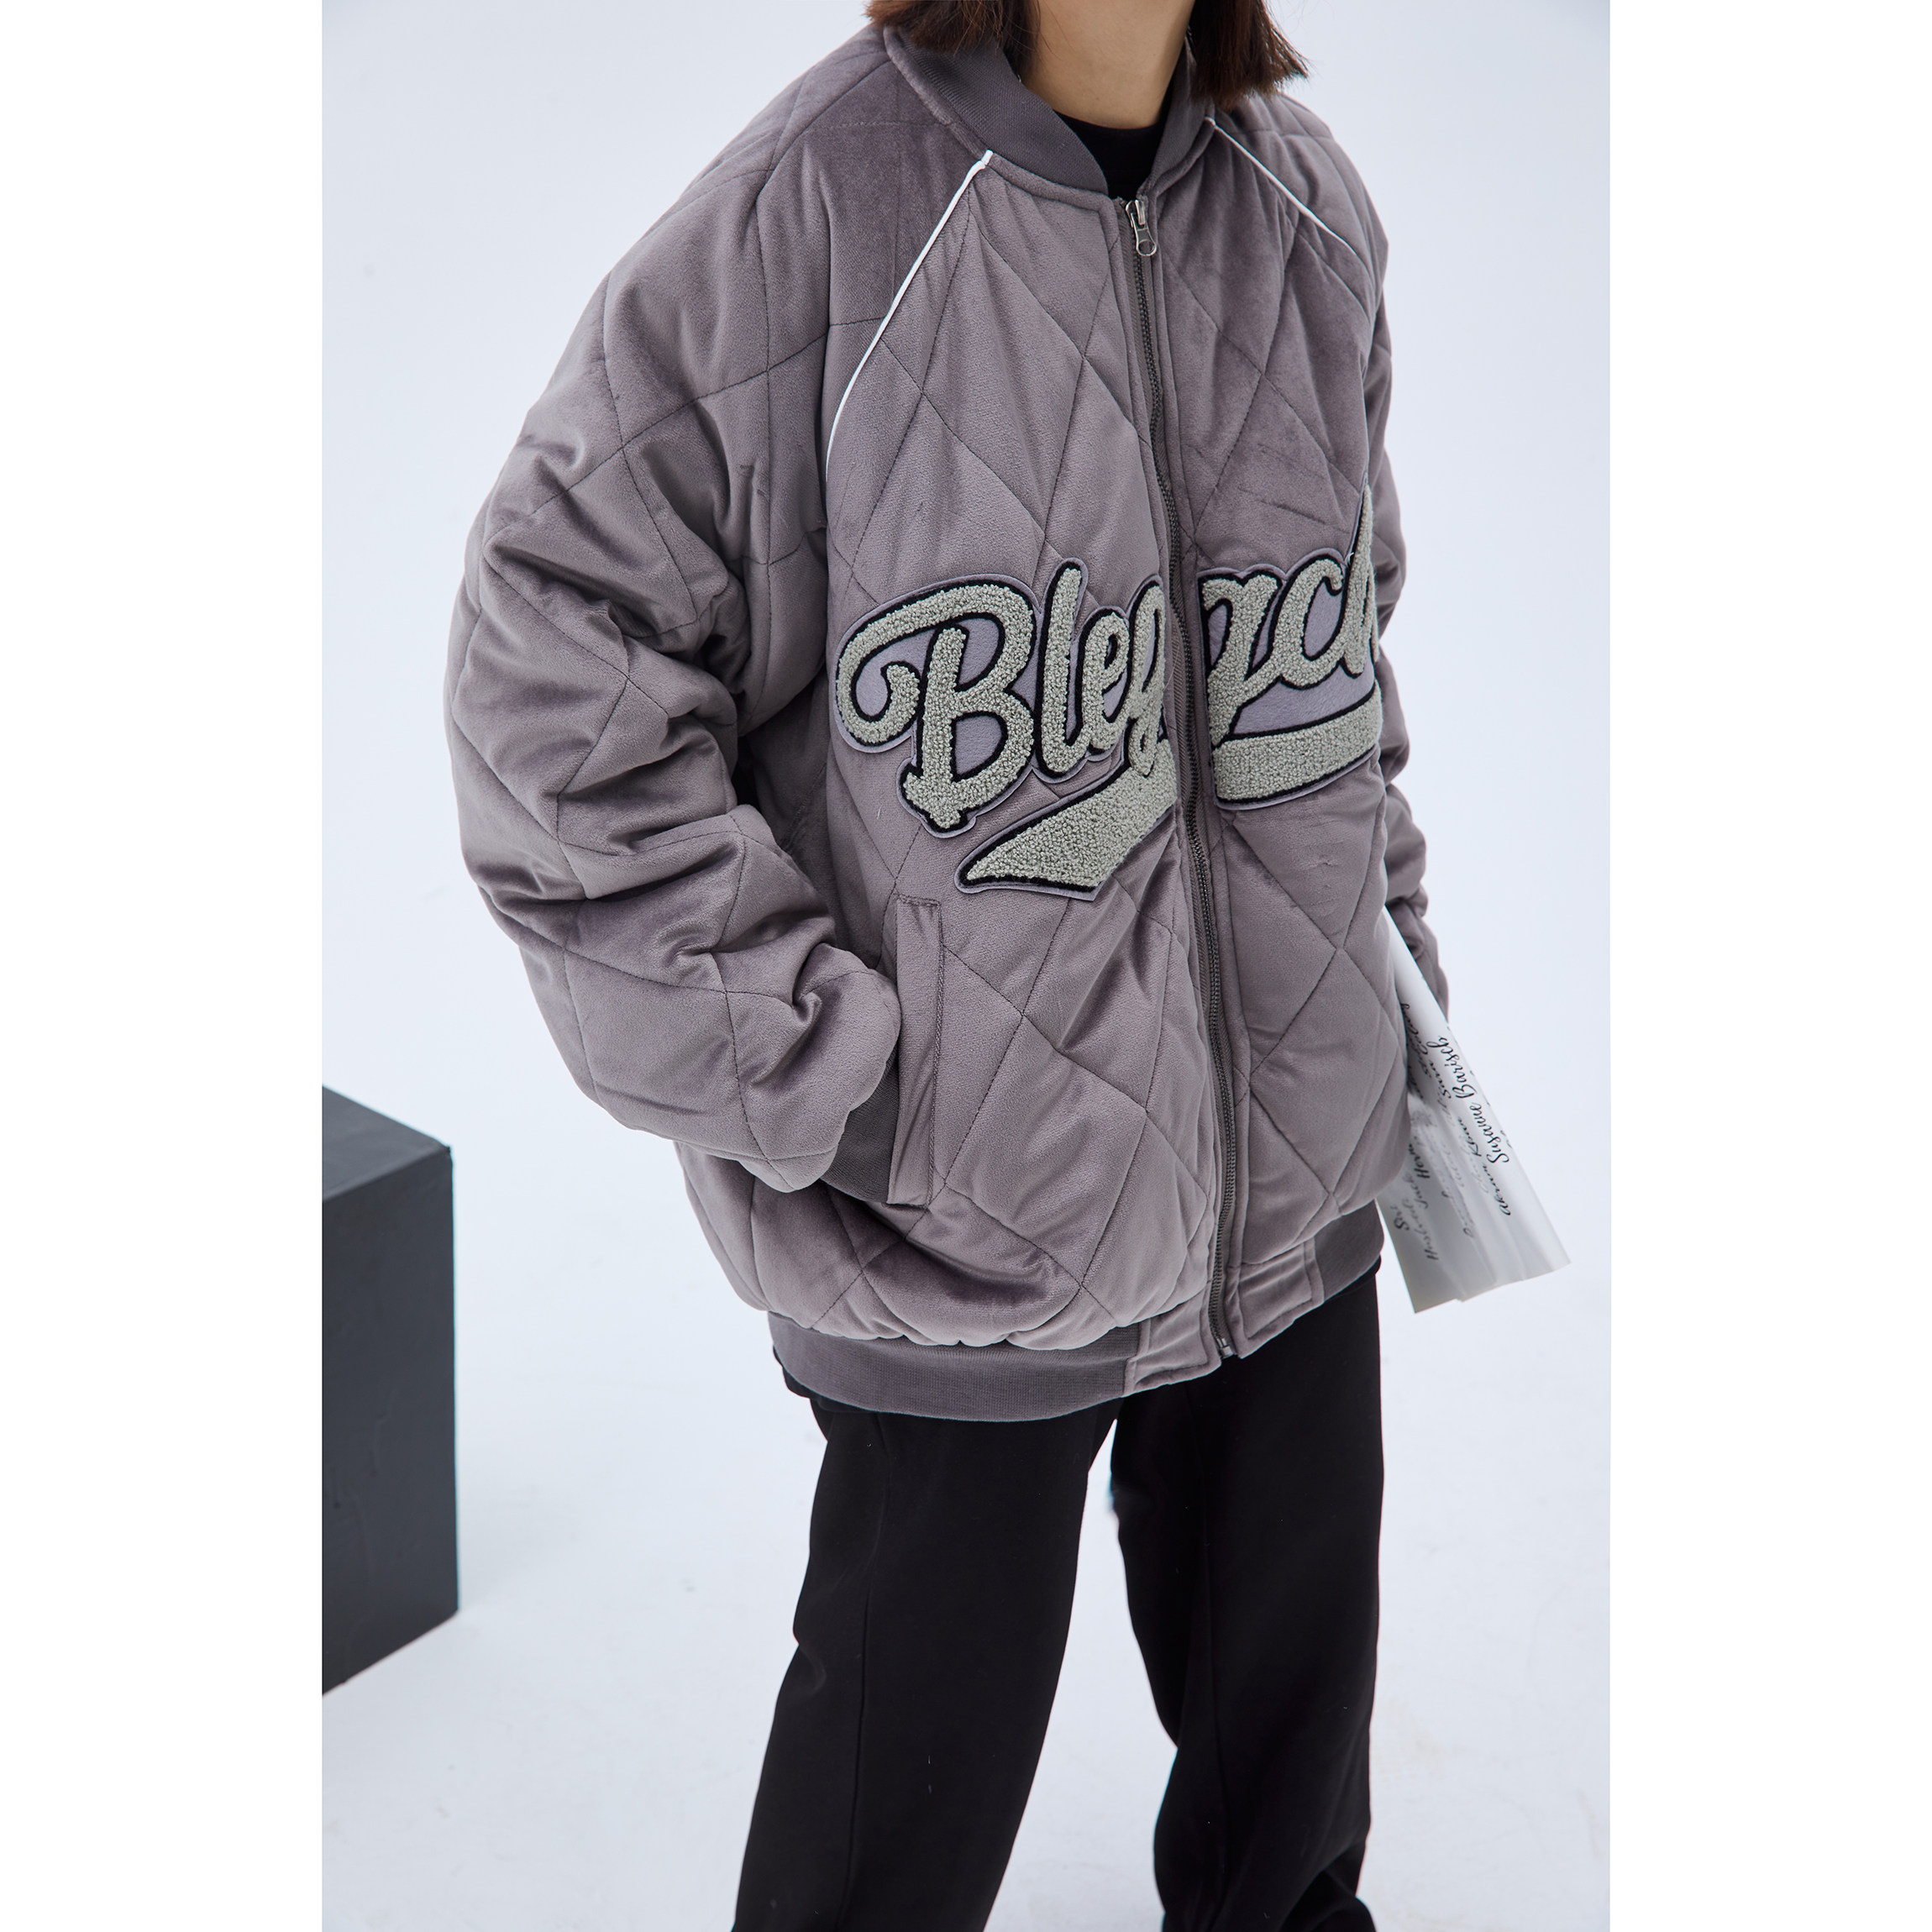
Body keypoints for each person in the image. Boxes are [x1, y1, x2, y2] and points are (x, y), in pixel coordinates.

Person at [444, 0, 1448, 1924]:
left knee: (1294, 1829)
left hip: (1294, 1184)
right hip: (970, 1222)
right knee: (888, 1830)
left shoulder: (1306, 210)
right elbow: (549, 672)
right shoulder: (810, 214)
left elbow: (1340, 654)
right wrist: (838, 1081)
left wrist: (1379, 969)